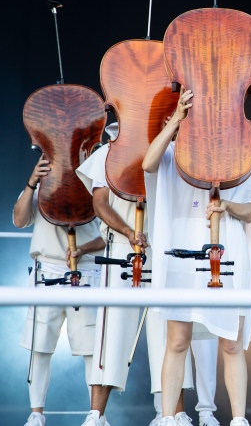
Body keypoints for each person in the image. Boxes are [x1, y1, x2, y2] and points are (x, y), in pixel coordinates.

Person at [143, 87, 251, 426]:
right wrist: (176, 119)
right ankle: (168, 417)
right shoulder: (178, 151)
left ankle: (237, 419)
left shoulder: (242, 153)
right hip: (183, 252)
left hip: (227, 252)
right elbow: (148, 162)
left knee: (230, 343)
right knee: (177, 339)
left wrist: (228, 205)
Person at [75, 122, 195, 426]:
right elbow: (99, 202)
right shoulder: (108, 153)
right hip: (120, 249)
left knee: (169, 332)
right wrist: (128, 231)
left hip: (163, 247)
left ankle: (172, 413)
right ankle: (95, 415)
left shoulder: (170, 151)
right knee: (110, 330)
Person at [15, 154, 106, 426]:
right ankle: (36, 414)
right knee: (39, 346)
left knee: (91, 347)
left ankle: (96, 414)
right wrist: (32, 183)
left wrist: (82, 249)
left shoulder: (95, 180)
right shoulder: (44, 181)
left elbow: (108, 234)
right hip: (47, 270)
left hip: (86, 271)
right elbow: (20, 220)